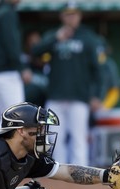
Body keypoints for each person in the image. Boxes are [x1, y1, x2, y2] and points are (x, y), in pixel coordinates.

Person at [31, 1, 103, 165]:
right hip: (55, 96)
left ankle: (80, 174)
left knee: (78, 137)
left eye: (74, 14)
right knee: (54, 137)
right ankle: (58, 173)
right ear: (62, 16)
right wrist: (56, 38)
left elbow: (98, 71)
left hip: (79, 96)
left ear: (79, 16)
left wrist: (97, 95)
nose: (71, 18)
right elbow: (35, 52)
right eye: (68, 14)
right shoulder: (53, 36)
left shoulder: (88, 38)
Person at [0, 0, 25, 135]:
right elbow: (11, 43)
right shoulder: (7, 12)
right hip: (4, 71)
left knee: (3, 118)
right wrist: (21, 67)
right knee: (17, 116)